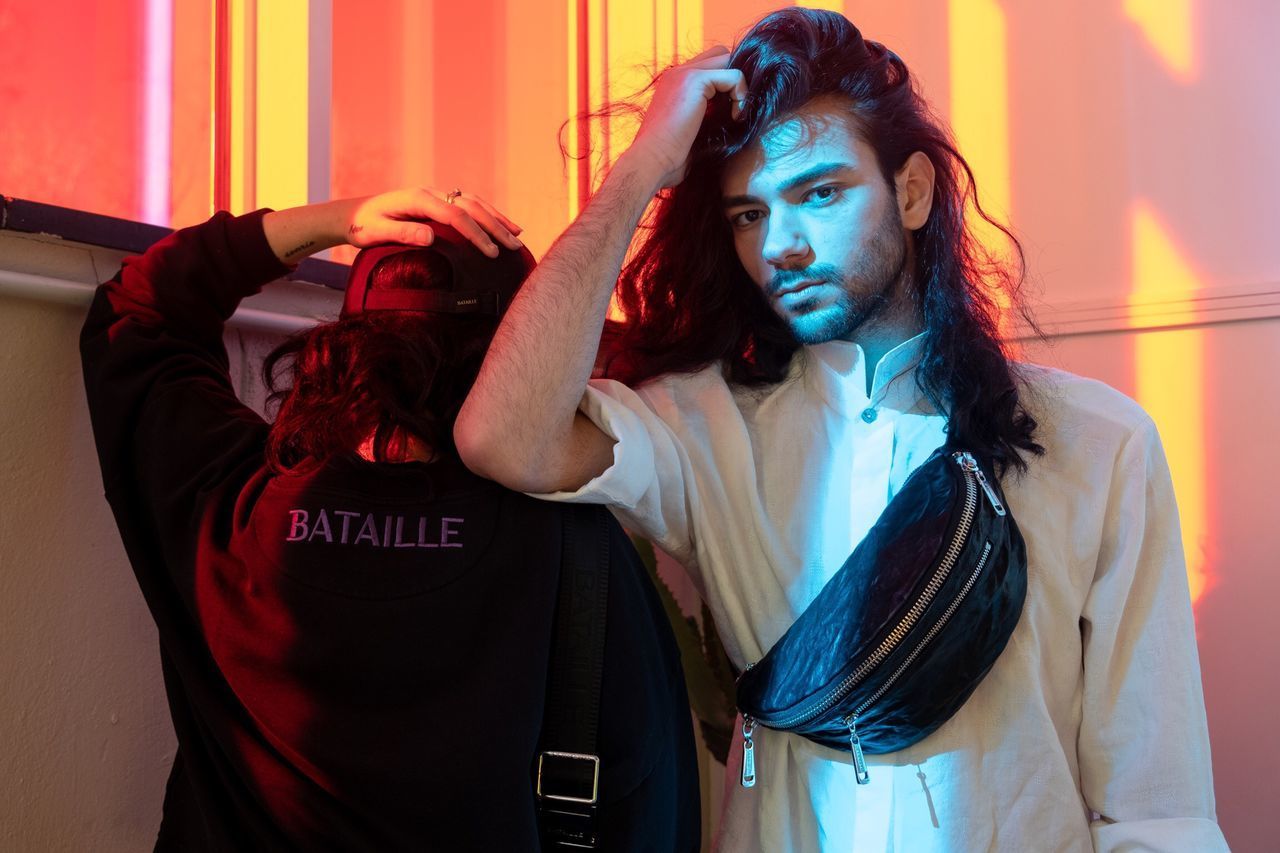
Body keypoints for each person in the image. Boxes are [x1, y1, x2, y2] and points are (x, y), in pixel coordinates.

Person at [454, 8, 1228, 852]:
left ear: (913, 191)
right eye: (748, 215)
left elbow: (1157, 807)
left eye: (820, 193)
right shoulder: (705, 426)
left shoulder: (1097, 441)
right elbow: (504, 437)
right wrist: (642, 167)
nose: (780, 244)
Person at [80, 187, 700, 851]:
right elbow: (648, 803)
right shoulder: (578, 553)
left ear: (342, 347)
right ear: (517, 368)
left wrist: (335, 221)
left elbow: (137, 312)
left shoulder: (230, 502)